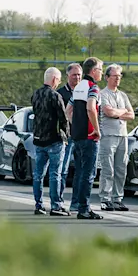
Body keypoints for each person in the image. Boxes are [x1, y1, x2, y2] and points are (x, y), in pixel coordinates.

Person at [30, 66, 71, 216]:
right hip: (54, 140)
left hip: (38, 139)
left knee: (38, 174)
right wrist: (66, 136)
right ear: (54, 79)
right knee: (55, 174)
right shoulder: (55, 96)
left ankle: (38, 205)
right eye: (59, 80)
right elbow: (63, 118)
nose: (58, 83)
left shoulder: (35, 94)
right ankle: (56, 206)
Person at [67, 57, 104, 219]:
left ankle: (78, 204)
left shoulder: (78, 87)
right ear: (94, 71)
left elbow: (68, 110)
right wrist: (96, 129)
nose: (102, 73)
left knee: (80, 172)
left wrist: (75, 125)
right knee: (89, 173)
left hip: (77, 135)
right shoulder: (93, 87)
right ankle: (84, 208)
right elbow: (91, 107)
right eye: (101, 70)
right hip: (89, 136)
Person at [97, 63, 135, 211]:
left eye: (119, 76)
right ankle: (105, 199)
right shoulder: (103, 94)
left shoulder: (123, 95)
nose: (117, 79)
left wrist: (118, 112)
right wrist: (121, 112)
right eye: (115, 76)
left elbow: (131, 115)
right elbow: (108, 113)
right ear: (107, 77)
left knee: (121, 168)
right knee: (108, 169)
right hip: (108, 135)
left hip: (122, 135)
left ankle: (117, 198)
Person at [52, 62, 82, 199]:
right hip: (67, 136)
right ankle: (59, 198)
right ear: (68, 75)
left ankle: (77, 201)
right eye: (74, 74)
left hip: (81, 135)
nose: (77, 77)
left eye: (79, 75)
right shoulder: (60, 94)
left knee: (81, 170)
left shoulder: (85, 91)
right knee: (63, 169)